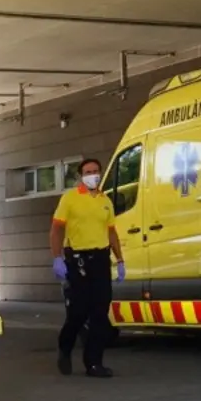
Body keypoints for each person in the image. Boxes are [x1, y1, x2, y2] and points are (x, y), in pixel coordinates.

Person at [50, 158, 125, 378]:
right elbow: (56, 229)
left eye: (95, 171)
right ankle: (65, 347)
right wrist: (57, 257)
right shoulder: (70, 198)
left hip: (101, 259)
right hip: (78, 260)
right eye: (88, 172)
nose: (93, 175)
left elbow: (111, 232)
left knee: (101, 312)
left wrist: (120, 259)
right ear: (81, 176)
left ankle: (94, 363)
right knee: (78, 312)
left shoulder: (105, 201)